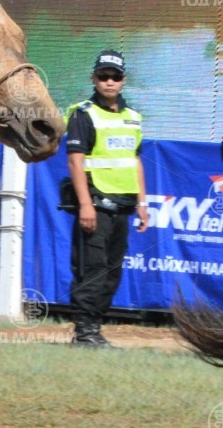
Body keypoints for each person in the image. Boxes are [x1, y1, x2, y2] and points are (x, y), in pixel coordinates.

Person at [64, 50, 149, 347]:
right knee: (92, 270)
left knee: (112, 272)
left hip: (123, 207)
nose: (109, 82)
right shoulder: (83, 113)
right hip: (96, 204)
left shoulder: (133, 118)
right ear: (94, 78)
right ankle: (84, 332)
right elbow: (75, 161)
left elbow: (135, 160)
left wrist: (142, 203)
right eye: (103, 76)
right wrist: (85, 205)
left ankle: (94, 328)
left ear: (123, 80)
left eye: (115, 76)